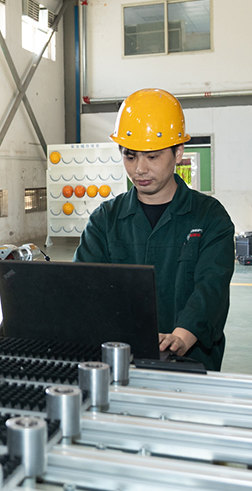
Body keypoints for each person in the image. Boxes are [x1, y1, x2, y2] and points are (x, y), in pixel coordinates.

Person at [73, 89, 234, 370]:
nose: (140, 169)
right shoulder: (105, 219)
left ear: (179, 152)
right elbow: (83, 286)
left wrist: (182, 336)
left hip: (189, 362)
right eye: (130, 156)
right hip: (117, 360)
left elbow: (212, 288)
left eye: (153, 157)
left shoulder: (209, 217)